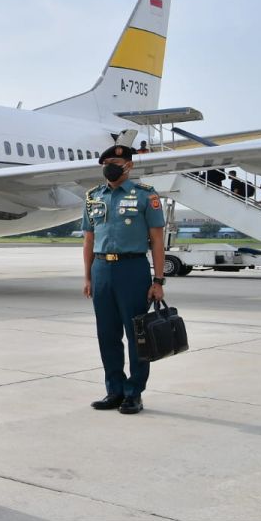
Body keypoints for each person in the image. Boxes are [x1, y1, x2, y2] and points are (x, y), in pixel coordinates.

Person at [83, 144, 166, 415]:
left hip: (132, 270)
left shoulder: (145, 196)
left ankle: (134, 392)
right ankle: (114, 390)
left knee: (136, 335)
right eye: (106, 161)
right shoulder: (94, 197)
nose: (110, 165)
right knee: (107, 334)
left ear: (128, 165)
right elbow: (88, 240)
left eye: (116, 161)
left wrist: (158, 280)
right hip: (101, 270)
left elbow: (156, 240)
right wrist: (88, 276)